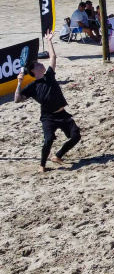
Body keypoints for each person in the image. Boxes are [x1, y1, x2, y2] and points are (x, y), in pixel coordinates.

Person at [14, 31, 82, 173]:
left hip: (62, 114)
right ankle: (42, 166)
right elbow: (17, 100)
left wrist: (49, 40)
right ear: (33, 70)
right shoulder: (32, 87)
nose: (41, 64)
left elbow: (53, 56)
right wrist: (19, 84)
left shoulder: (49, 75)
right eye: (38, 64)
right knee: (49, 139)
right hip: (48, 117)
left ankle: (57, 156)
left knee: (76, 136)